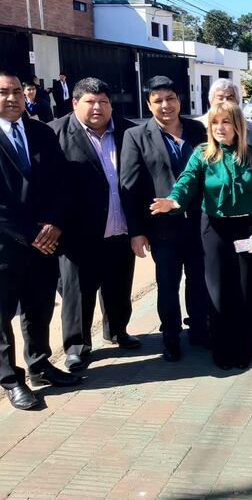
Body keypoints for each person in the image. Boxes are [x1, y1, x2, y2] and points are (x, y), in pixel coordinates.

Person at [150, 101, 252, 370]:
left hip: (247, 230)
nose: (220, 128)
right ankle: (222, 349)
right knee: (218, 293)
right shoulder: (203, 154)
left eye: (226, 122)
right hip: (214, 229)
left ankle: (243, 350)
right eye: (215, 123)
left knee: (245, 291)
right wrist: (174, 201)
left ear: (237, 125)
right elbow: (187, 181)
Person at [0, 71, 80, 411]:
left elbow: (63, 183)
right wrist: (32, 234)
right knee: (2, 315)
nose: (12, 98)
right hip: (6, 245)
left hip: (46, 243)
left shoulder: (41, 132)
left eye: (18, 91)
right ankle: (10, 379)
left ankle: (39, 364)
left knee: (39, 307)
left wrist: (55, 223)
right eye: (3, 92)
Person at [50, 78, 141, 372]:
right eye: (90, 102)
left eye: (103, 101)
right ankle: (77, 347)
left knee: (119, 285)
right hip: (79, 234)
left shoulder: (129, 131)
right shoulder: (55, 133)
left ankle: (117, 331)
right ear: (75, 103)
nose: (98, 107)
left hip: (119, 226)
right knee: (78, 293)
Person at [120, 76, 209, 362]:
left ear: (179, 100)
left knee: (199, 280)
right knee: (168, 285)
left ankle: (198, 328)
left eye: (170, 98)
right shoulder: (136, 136)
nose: (165, 105)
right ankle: (170, 337)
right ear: (148, 104)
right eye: (157, 100)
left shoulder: (197, 130)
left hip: (198, 223)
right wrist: (136, 231)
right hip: (162, 229)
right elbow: (129, 187)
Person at [199, 78, 252, 146]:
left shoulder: (248, 129)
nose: (225, 102)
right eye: (220, 98)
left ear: (237, 102)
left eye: (230, 98)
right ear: (211, 101)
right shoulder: (195, 126)